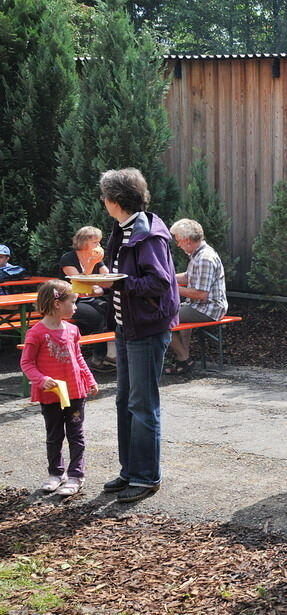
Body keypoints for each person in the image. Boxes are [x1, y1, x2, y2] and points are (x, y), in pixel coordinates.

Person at [99, 168, 180, 503]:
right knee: (123, 400)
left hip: (146, 330)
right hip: (126, 326)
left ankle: (147, 477)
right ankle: (129, 469)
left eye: (105, 196)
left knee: (142, 404)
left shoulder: (149, 235)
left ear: (115, 201)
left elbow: (159, 282)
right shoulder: (123, 229)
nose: (103, 201)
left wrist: (117, 283)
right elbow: (125, 276)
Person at [19, 279, 98, 497]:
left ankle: (76, 475)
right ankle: (56, 473)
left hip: (74, 392)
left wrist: (89, 379)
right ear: (56, 304)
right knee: (54, 435)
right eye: (72, 302)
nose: (75, 307)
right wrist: (41, 379)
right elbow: (26, 363)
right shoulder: (36, 333)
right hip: (51, 395)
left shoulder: (73, 330)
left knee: (75, 434)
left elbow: (78, 357)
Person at [165, 219, 228, 375]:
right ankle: (183, 360)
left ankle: (184, 359)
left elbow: (200, 295)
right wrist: (166, 277)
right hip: (202, 306)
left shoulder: (204, 258)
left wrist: (168, 287)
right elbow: (188, 277)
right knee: (177, 314)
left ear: (187, 240)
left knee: (160, 318)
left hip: (209, 309)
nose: (178, 245)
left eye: (178, 241)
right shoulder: (198, 254)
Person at [59, 226, 114, 373]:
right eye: (95, 242)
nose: (99, 246)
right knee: (99, 318)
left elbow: (108, 279)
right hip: (71, 301)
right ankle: (98, 359)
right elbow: (78, 283)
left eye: (99, 242)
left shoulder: (97, 259)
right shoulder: (68, 258)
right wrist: (91, 264)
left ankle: (111, 356)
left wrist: (101, 289)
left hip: (92, 298)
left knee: (111, 309)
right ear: (84, 242)